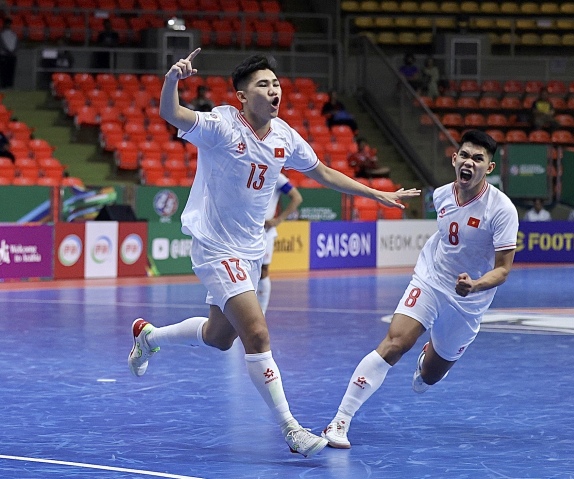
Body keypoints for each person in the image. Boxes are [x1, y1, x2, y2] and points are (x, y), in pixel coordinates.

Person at [128, 50, 420, 458]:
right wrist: (172, 79)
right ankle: (291, 428)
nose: (274, 89)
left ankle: (148, 336)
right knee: (258, 334)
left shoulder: (283, 135)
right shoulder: (222, 124)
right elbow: (172, 113)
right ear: (242, 97)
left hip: (248, 249)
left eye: (276, 83)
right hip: (215, 245)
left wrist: (376, 193)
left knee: (219, 337)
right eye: (263, 84)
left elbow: (323, 173)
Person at [321, 129, 519, 449]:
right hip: (431, 278)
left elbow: (503, 270)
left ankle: (430, 357)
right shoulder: (440, 195)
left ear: (489, 168)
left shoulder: (502, 210)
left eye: (478, 159)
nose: (470, 162)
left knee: (429, 377)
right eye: (465, 155)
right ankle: (340, 421)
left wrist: (475, 285)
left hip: (468, 301)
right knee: (396, 342)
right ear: (455, 159)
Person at [256, 172, 303, 314]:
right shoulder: (246, 167)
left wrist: (278, 220)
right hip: (246, 229)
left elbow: (296, 197)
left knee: (263, 270)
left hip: (265, 231)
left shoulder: (276, 175)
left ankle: (261, 313)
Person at [0, 17, 18, 89]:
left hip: (12, 55)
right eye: (7, 24)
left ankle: (9, 85)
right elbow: (2, 44)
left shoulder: (13, 34)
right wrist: (8, 51)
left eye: (9, 24)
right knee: (3, 71)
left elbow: (16, 44)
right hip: (4, 55)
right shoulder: (1, 34)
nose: (8, 25)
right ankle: (3, 85)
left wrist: (13, 51)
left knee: (11, 71)